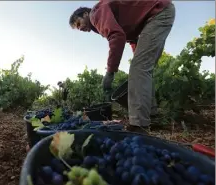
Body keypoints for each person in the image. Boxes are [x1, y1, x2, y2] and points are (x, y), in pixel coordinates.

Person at [69, 0, 175, 133]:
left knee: (139, 69)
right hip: (160, 12)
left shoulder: (95, 13)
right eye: (78, 29)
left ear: (85, 14)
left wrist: (110, 72)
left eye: (79, 24)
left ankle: (139, 125)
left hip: (158, 13)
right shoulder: (102, 17)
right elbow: (131, 37)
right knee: (143, 69)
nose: (81, 29)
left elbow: (117, 36)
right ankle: (152, 116)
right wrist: (137, 55)